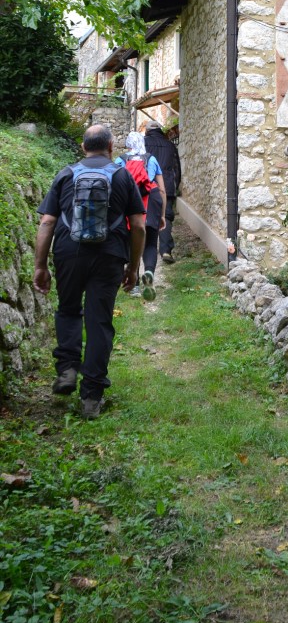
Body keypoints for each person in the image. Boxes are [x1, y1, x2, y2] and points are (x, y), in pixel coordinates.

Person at [33, 124, 146, 419]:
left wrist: (40, 265)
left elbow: (47, 223)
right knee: (99, 322)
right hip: (109, 255)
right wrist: (132, 268)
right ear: (111, 148)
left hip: (69, 252)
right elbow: (139, 225)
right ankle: (91, 397)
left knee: (69, 310)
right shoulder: (122, 176)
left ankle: (68, 369)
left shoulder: (66, 174)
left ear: (83, 147)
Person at [116, 131, 167, 298]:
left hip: (129, 201)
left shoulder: (120, 160)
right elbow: (162, 189)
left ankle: (135, 285)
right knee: (151, 242)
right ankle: (150, 273)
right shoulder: (151, 159)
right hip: (151, 200)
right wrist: (162, 214)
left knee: (132, 242)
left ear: (128, 144)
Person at [144, 122, 181, 263]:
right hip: (167, 185)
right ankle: (166, 251)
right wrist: (174, 186)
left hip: (146, 184)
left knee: (144, 214)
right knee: (166, 217)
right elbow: (177, 168)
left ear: (147, 131)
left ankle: (145, 247)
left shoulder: (143, 143)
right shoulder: (170, 145)